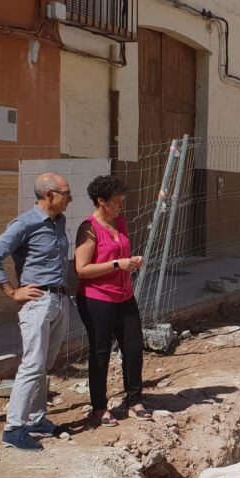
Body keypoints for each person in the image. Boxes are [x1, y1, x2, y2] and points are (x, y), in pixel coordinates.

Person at [0, 172, 73, 450]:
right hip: (38, 302)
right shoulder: (25, 224)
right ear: (49, 195)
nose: (69, 199)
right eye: (66, 194)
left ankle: (35, 418)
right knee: (32, 364)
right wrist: (12, 291)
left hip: (59, 299)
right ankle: (14, 428)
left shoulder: (59, 221)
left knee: (44, 365)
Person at [74, 175, 149, 427]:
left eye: (121, 201)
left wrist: (131, 263)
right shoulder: (88, 228)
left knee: (134, 347)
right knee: (100, 352)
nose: (120, 206)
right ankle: (98, 407)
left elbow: (122, 254)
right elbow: (82, 269)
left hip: (124, 295)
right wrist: (117, 264)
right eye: (116, 202)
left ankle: (134, 399)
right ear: (100, 201)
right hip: (97, 298)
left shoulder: (120, 223)